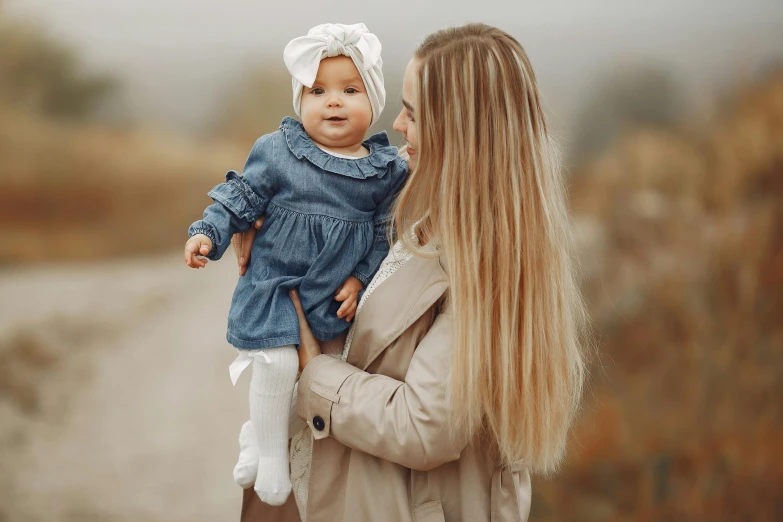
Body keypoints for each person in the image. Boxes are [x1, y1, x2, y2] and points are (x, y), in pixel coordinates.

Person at [234, 23, 589, 521]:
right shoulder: (416, 196)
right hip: (344, 490)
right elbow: (323, 181)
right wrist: (260, 217)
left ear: (460, 133)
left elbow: (424, 426)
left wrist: (316, 374)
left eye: (415, 114)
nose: (397, 124)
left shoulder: (488, 258)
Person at [183, 23, 407, 506]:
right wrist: (207, 232)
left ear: (376, 100)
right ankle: (270, 456)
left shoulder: (385, 170)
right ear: (299, 100)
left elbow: (380, 233)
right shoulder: (280, 150)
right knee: (279, 362)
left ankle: (261, 437)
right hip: (275, 280)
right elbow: (242, 197)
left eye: (350, 90)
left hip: (329, 293)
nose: (332, 102)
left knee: (316, 378)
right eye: (318, 90)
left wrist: (359, 276)